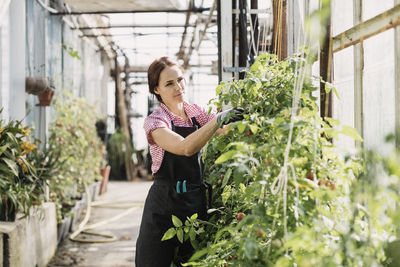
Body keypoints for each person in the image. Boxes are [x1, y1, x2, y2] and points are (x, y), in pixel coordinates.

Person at [135, 56, 243, 267]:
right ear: (156, 90)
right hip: (164, 205)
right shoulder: (156, 122)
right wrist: (217, 120)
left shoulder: (195, 113)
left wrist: (246, 116)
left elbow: (225, 130)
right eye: (169, 83)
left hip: (193, 203)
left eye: (180, 79)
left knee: (194, 262)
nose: (178, 87)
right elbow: (185, 147)